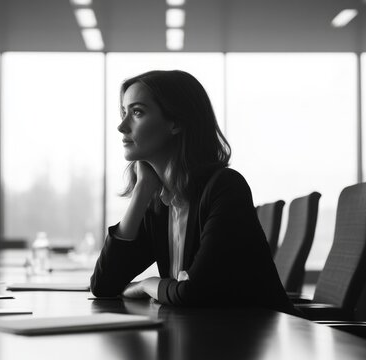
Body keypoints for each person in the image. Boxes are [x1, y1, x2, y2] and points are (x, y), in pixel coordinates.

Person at [90, 70, 296, 314]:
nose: (121, 126)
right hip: (203, 337)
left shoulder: (225, 188)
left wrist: (148, 284)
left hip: (260, 341)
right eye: (124, 113)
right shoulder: (160, 204)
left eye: (137, 113)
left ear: (175, 122)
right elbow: (104, 285)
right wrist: (141, 191)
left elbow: (194, 292)